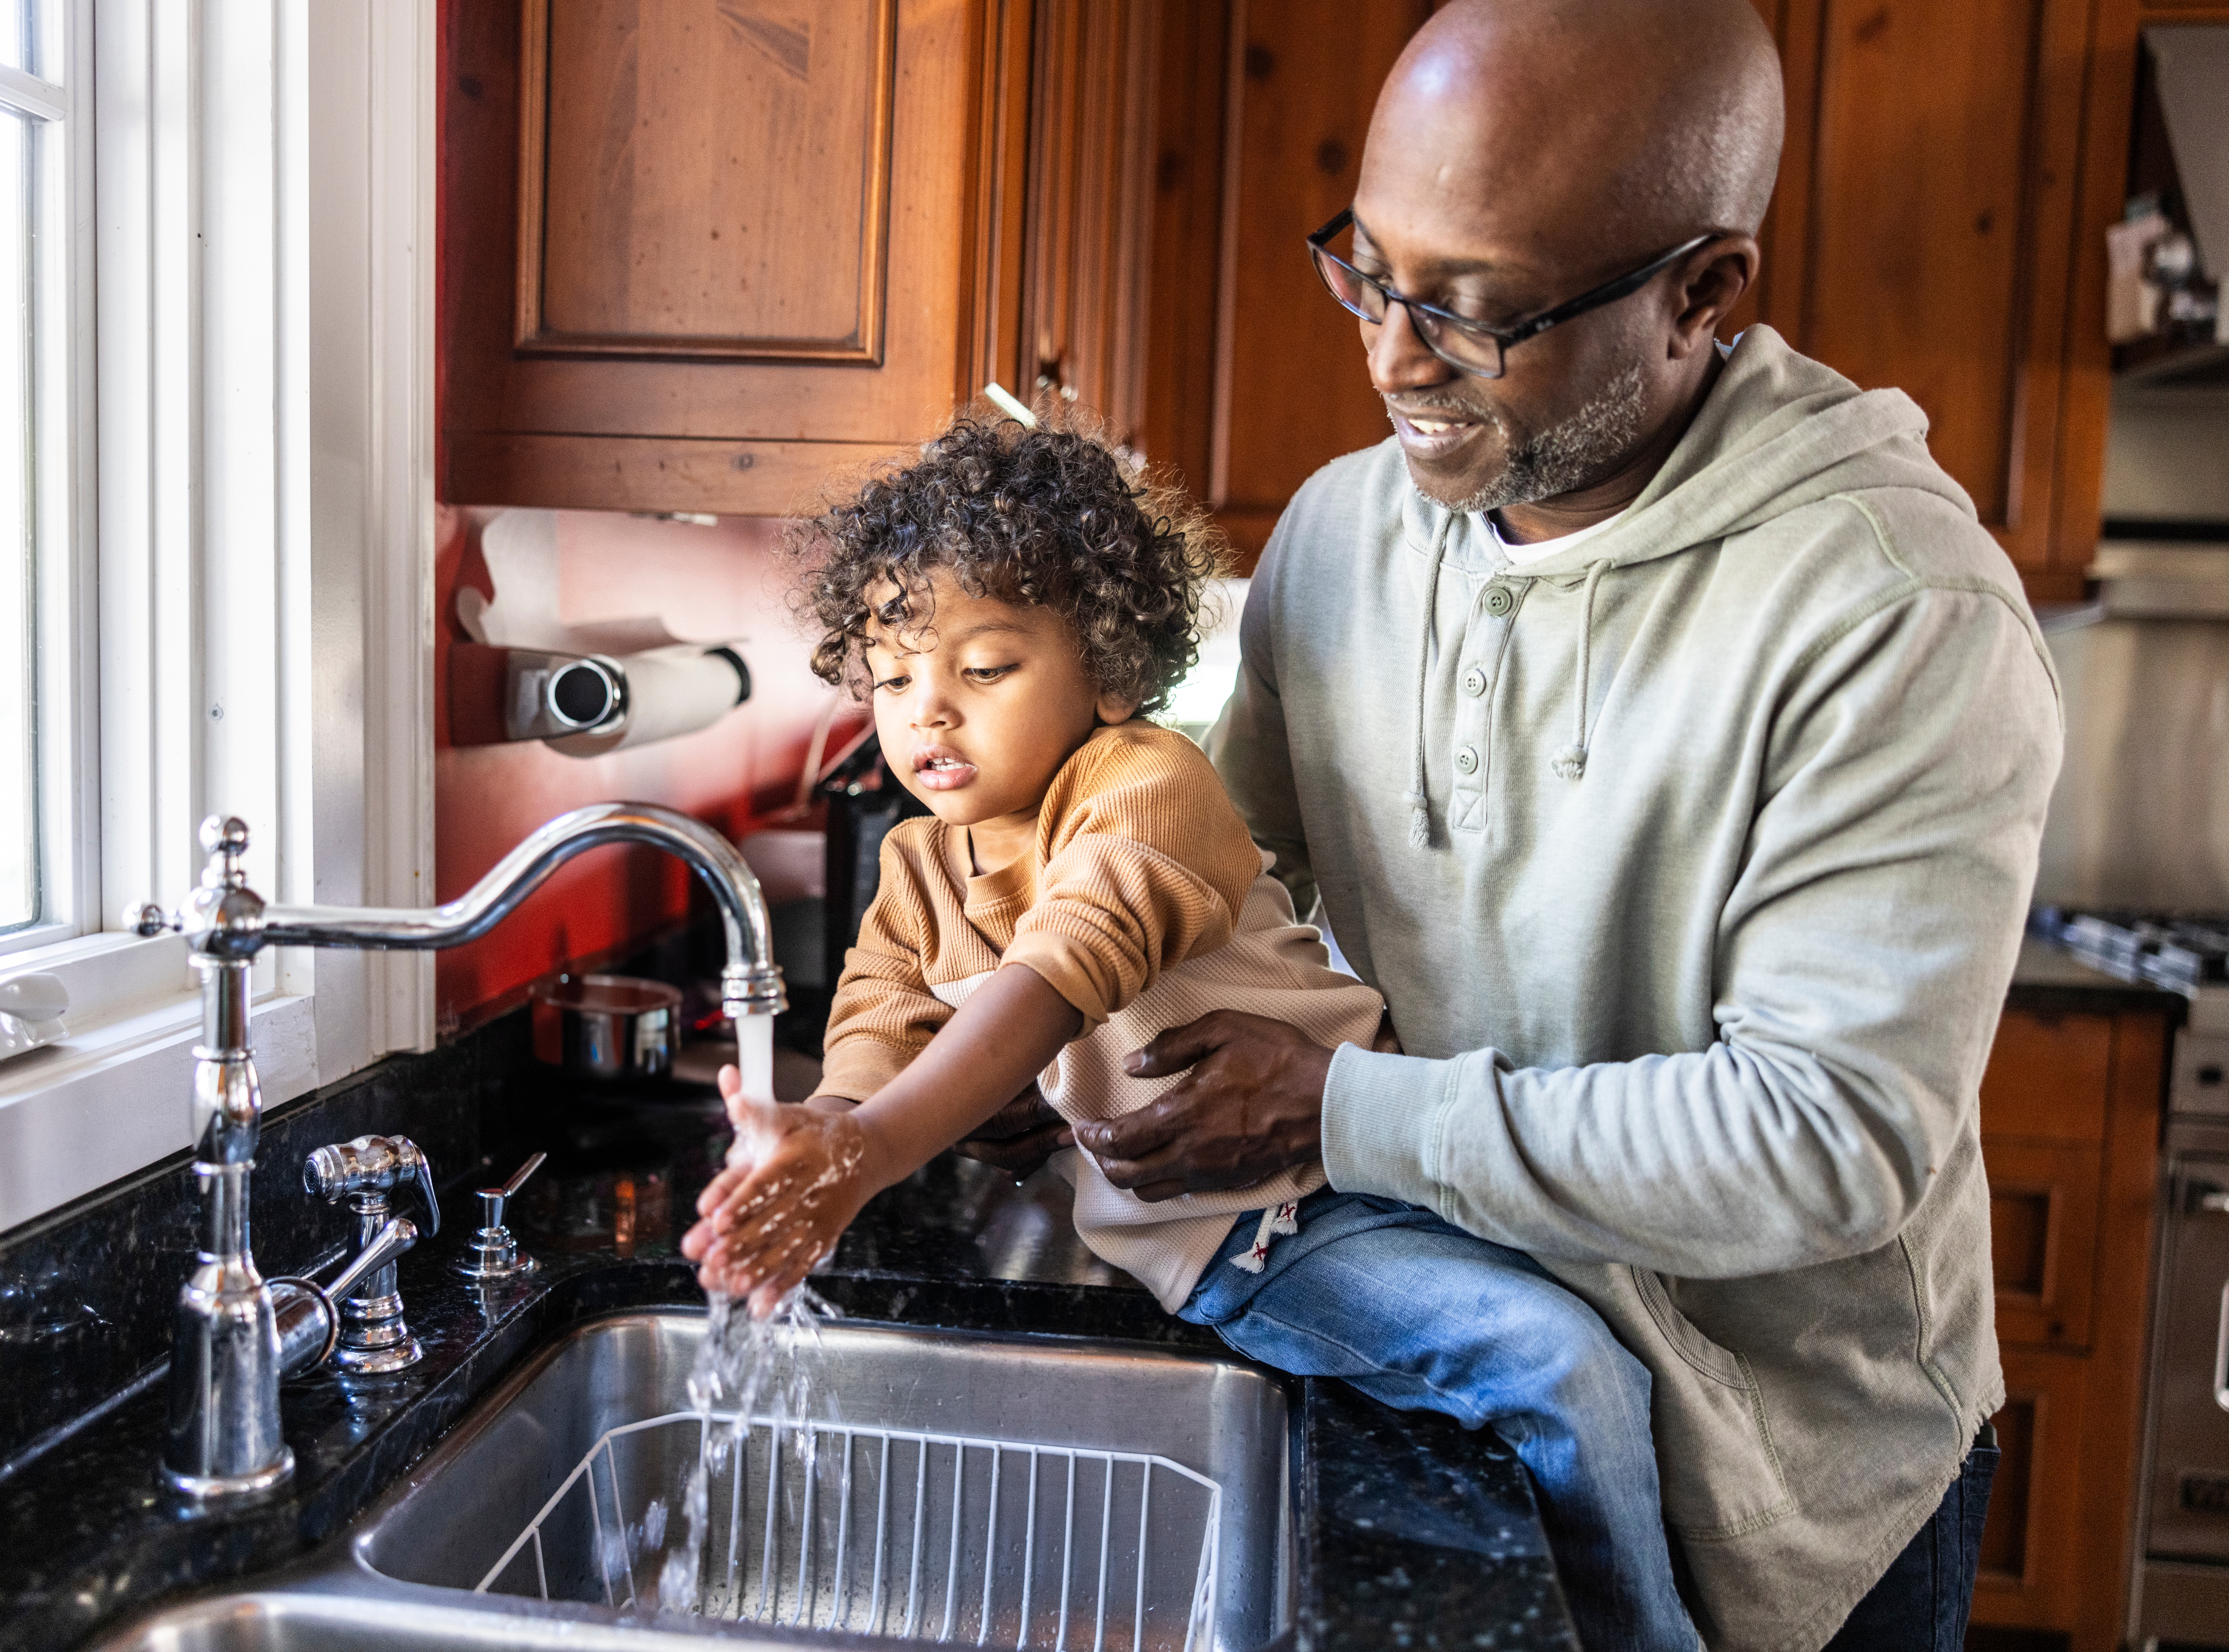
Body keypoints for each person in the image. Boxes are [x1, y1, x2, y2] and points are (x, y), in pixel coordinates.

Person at [966, 0, 2061, 1647]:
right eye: (1372, 272)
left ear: (1703, 293)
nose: (1397, 357)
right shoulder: (1344, 533)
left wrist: (1346, 1112)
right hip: (1503, 1360)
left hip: (1802, 1475)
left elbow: (1828, 1137)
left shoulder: (1896, 616)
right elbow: (1213, 870)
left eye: (1480, 316)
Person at [680, 413, 1704, 1651]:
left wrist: (871, 1149)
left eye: (983, 671)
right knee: (1559, 1366)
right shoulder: (915, 866)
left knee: (1606, 1343)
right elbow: (873, 1029)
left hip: (1371, 1161)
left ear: (1107, 670)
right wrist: (824, 1132)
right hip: (1252, 1236)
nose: (927, 718)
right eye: (894, 679)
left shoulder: (1146, 780)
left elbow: (1064, 966)